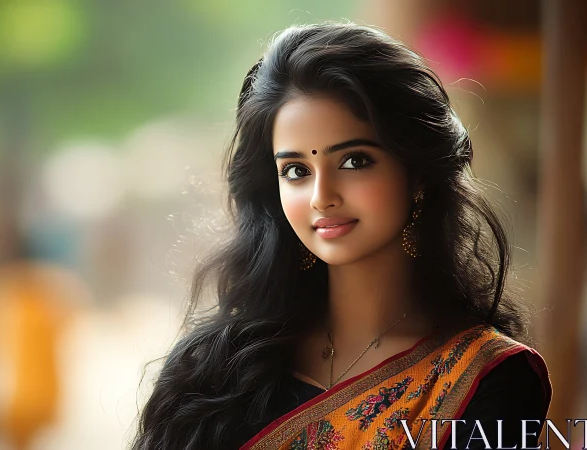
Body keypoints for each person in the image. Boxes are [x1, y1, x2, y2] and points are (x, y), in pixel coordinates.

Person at [131, 22, 551, 450]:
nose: (321, 197)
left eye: (354, 161)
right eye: (296, 171)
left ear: (418, 174)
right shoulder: (213, 371)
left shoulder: (485, 378)